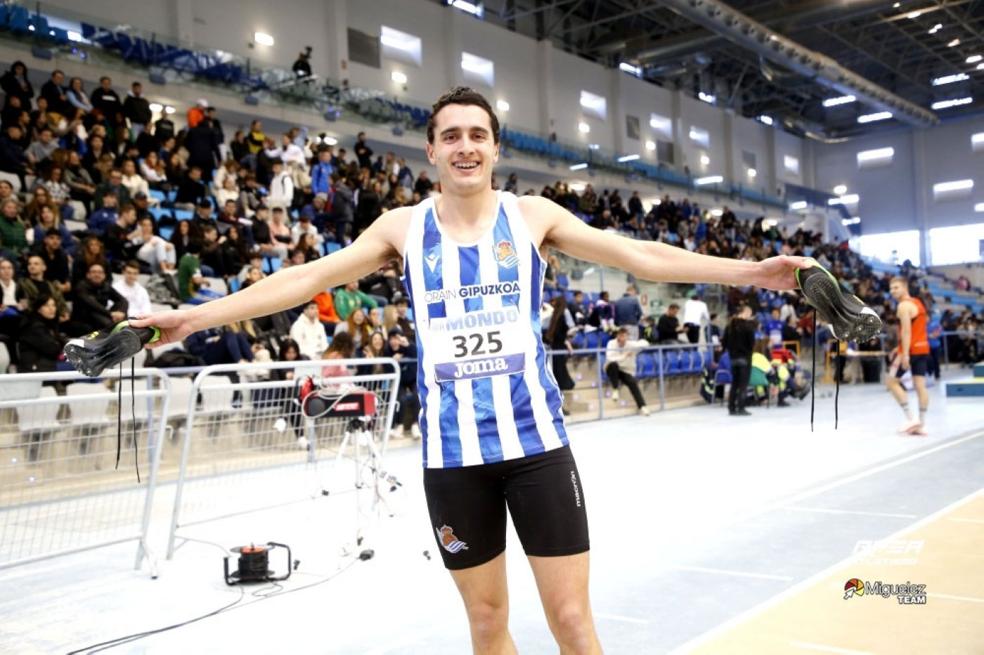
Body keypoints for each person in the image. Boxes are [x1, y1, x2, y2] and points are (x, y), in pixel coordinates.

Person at [134, 86, 809, 654]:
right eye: (450, 135)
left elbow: (639, 256)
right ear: (431, 150)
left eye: (478, 134)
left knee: (572, 621)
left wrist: (752, 272)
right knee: (486, 625)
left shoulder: (532, 216)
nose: (465, 146)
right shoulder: (401, 228)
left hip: (537, 448)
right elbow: (306, 275)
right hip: (453, 460)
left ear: (494, 147)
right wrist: (194, 317)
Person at [886, 276, 930, 435]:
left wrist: (904, 354)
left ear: (905, 287)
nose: (893, 291)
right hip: (923, 348)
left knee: (891, 382)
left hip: (910, 350)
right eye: (891, 288)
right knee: (920, 385)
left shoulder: (903, 306)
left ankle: (911, 419)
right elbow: (917, 327)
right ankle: (921, 424)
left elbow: (906, 331)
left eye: (896, 287)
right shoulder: (918, 303)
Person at [604, 326, 650, 415]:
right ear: (617, 336)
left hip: (625, 370)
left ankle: (642, 406)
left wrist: (637, 345)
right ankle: (615, 389)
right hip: (612, 369)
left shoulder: (630, 344)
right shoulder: (611, 343)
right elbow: (610, 358)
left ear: (627, 336)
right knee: (613, 365)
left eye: (624, 336)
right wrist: (624, 356)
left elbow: (646, 344)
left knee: (632, 382)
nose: (622, 338)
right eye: (620, 335)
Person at [722, 304, 756, 416]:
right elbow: (752, 343)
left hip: (733, 358)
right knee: (743, 385)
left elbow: (725, 342)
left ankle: (731, 408)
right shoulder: (747, 326)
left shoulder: (729, 326)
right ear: (745, 312)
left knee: (734, 384)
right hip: (745, 358)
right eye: (749, 312)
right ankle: (741, 407)